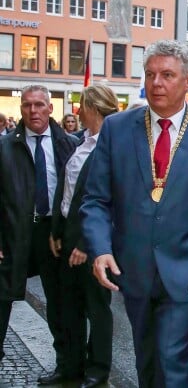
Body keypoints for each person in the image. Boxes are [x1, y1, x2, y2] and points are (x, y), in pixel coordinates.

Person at [80, 40, 188, 387]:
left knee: (175, 367)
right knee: (146, 365)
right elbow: (95, 200)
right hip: (132, 269)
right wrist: (101, 248)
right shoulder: (117, 128)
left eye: (167, 75)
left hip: (187, 272)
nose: (156, 83)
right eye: (150, 74)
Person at [0, 85, 78, 385]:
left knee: (59, 302)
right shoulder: (6, 146)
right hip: (14, 231)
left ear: (50, 108)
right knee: (3, 298)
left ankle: (66, 365)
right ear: (21, 109)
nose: (33, 111)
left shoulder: (67, 144)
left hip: (53, 234)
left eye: (39, 105)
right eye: (27, 105)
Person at [51, 85, 118, 388]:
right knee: (70, 308)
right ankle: (71, 367)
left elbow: (108, 201)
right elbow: (66, 191)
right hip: (66, 236)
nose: (77, 110)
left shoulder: (112, 146)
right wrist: (57, 231)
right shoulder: (82, 142)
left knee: (97, 309)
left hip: (92, 243)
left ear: (93, 107)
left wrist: (84, 244)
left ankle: (98, 369)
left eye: (82, 105)